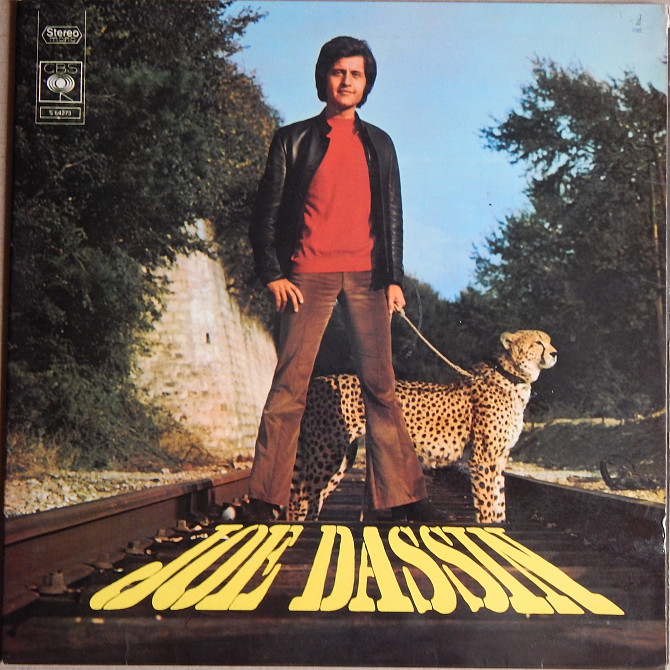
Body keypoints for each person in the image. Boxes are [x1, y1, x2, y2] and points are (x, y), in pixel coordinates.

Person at [246, 36, 433, 521]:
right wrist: (272, 274)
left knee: (381, 385)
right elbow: (265, 213)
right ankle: (265, 499)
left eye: (356, 74)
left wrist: (394, 278)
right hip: (306, 274)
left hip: (369, 277)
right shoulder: (293, 139)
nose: (347, 81)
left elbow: (391, 216)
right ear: (323, 77)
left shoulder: (380, 143)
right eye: (338, 72)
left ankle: (400, 501)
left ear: (366, 84)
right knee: (290, 385)